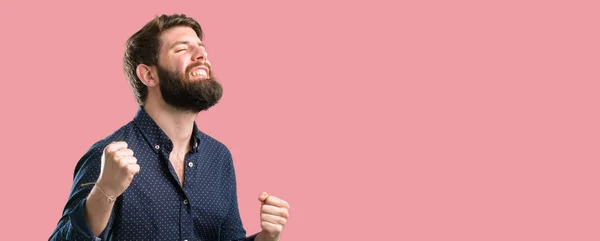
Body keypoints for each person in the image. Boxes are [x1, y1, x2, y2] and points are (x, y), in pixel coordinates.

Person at [49, 13, 290, 241]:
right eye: (183, 49)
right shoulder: (108, 157)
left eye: (202, 48)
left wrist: (266, 238)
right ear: (148, 75)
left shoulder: (219, 158)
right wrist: (105, 190)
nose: (201, 55)